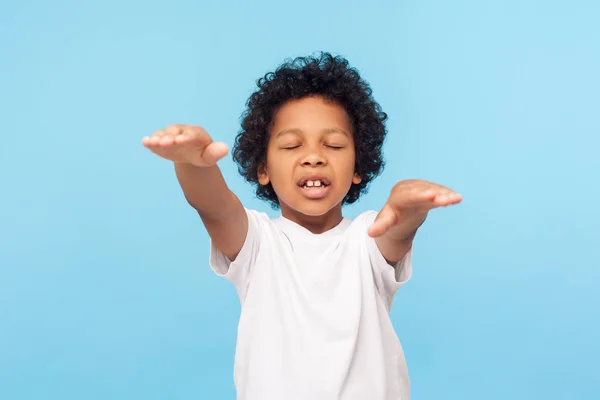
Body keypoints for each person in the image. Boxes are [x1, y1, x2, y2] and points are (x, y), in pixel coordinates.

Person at [142, 52, 462, 400]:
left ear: (358, 166)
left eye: (334, 145)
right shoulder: (257, 242)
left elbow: (396, 229)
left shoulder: (367, 239)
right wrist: (194, 165)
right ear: (262, 168)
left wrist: (408, 207)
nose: (313, 156)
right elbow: (215, 208)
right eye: (293, 145)